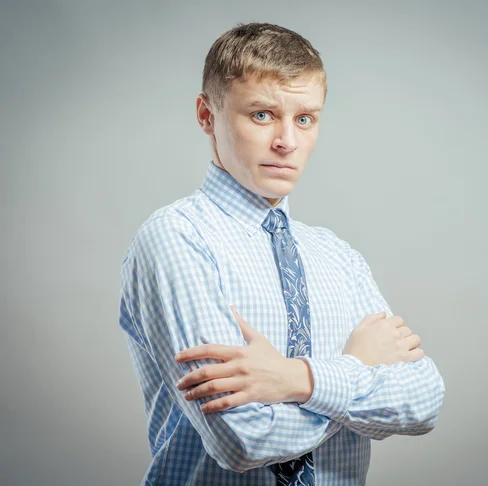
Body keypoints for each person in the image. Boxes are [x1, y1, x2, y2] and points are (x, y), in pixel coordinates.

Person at [119, 22, 445, 486]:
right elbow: (242, 440)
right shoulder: (175, 239)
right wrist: (352, 371)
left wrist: (296, 379)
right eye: (262, 115)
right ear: (206, 114)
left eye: (305, 119)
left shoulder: (337, 256)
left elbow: (424, 400)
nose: (287, 142)